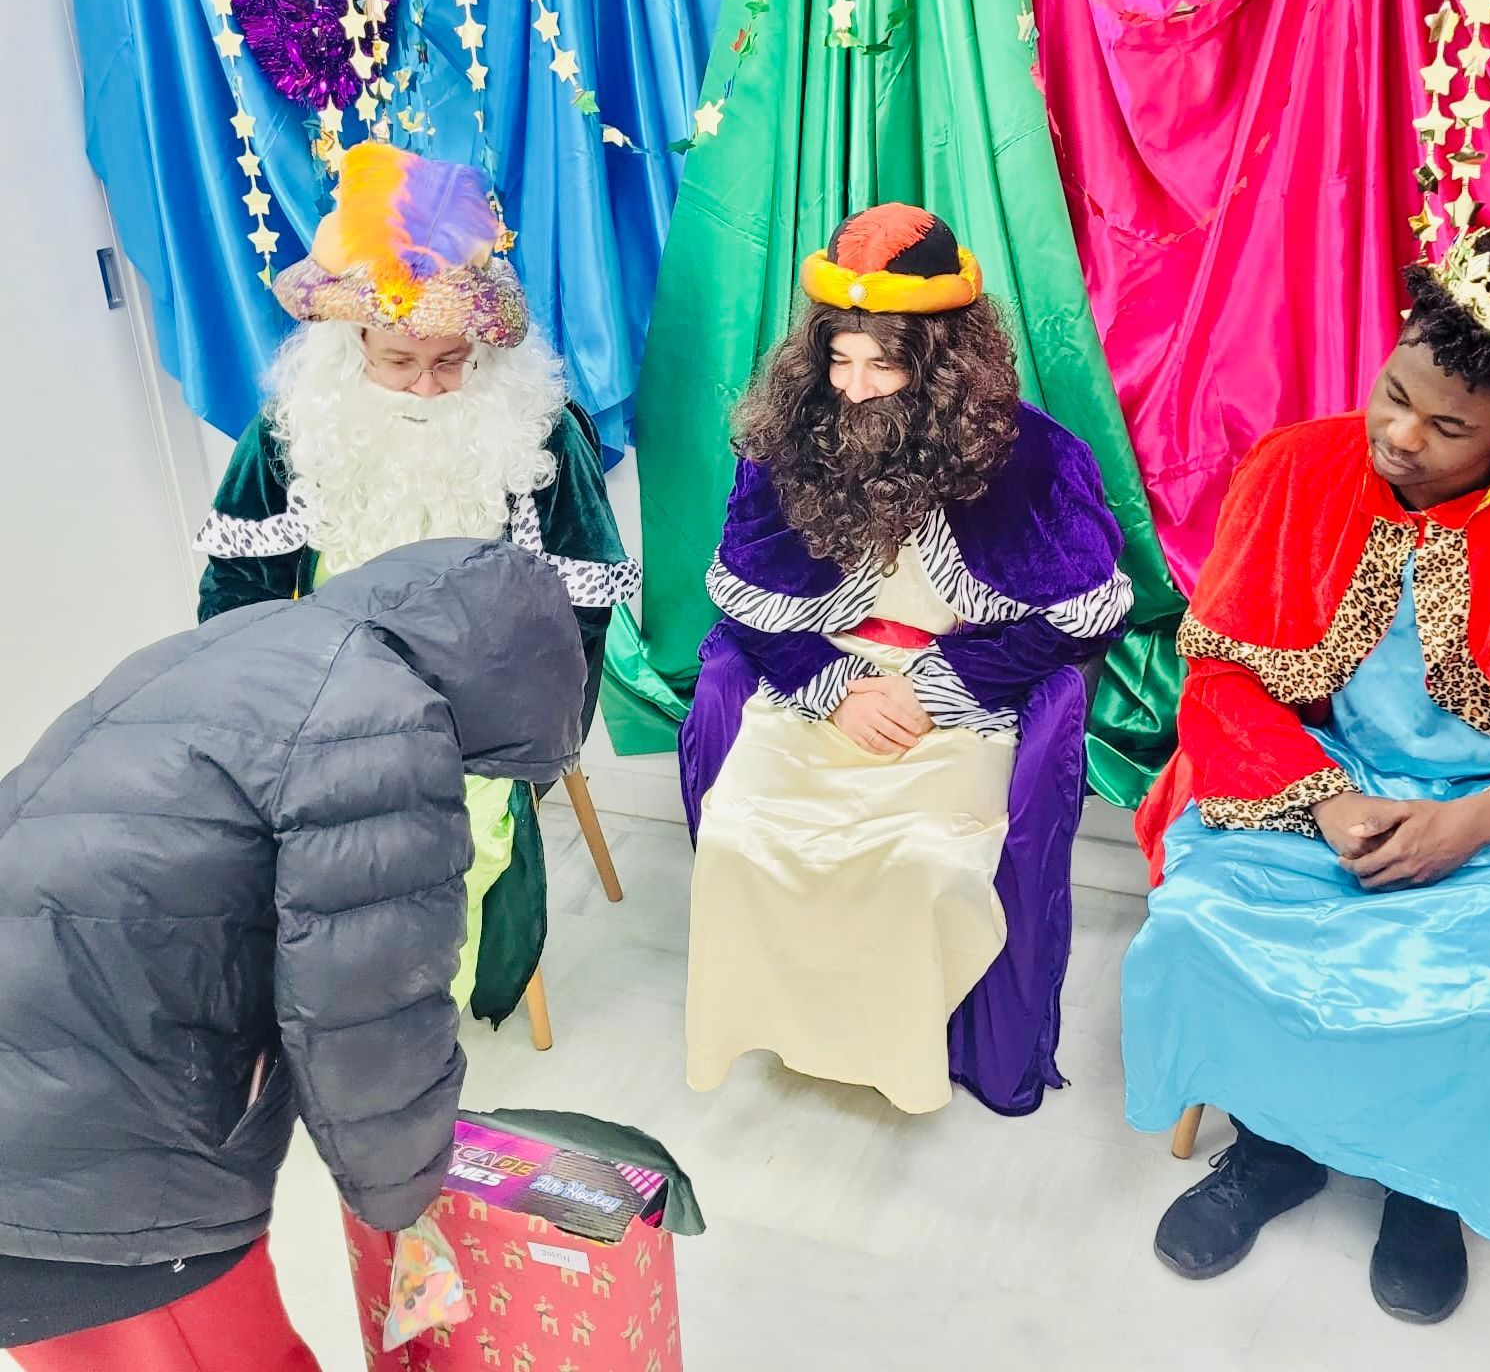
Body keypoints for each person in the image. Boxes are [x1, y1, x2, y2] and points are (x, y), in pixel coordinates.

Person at [1121, 230, 1490, 1322]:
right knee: (1200, 929)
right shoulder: (1295, 466)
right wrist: (1324, 799)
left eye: (1448, 427)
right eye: (1393, 395)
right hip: (1314, 783)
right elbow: (1224, 678)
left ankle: (1428, 1190)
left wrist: (1475, 823)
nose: (1399, 435)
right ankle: (1272, 1148)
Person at [0, 540, 586, 1369]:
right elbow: (369, 1013)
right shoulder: (380, 716)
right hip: (96, 1165)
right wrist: (406, 1202)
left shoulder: (239, 643)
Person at [679, 203, 1134, 1116]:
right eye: (839, 360)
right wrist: (828, 685)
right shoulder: (786, 441)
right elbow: (746, 599)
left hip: (962, 700)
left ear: (941, 365)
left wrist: (946, 686)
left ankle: (907, 1050)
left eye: (882, 364)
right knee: (741, 838)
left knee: (923, 863)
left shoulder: (1035, 458)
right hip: (818, 691)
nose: (853, 388)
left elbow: (1082, 616)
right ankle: (796, 1029)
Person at [195, 140, 637, 1022]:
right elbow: (237, 590)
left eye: (449, 361)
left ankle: (410, 1008)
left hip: (485, 691)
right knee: (296, 821)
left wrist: (536, 733)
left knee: (433, 825)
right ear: (348, 344)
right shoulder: (294, 428)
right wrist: (261, 710)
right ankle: (324, 1009)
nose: (428, 387)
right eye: (398, 362)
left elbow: (580, 608)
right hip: (328, 678)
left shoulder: (536, 429)